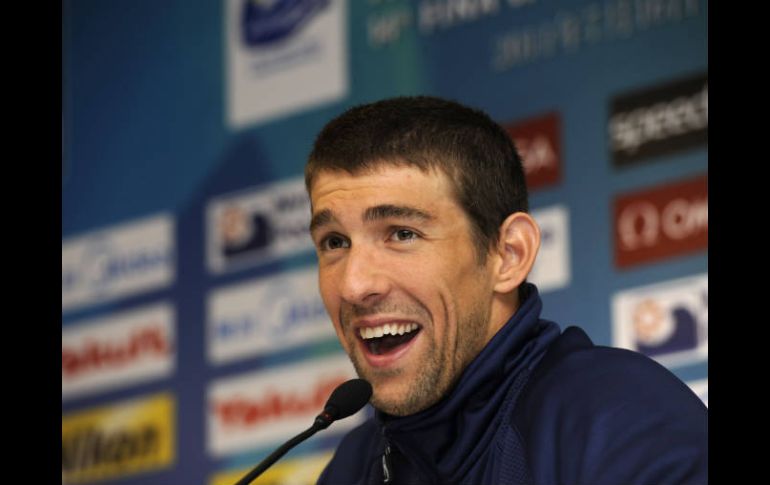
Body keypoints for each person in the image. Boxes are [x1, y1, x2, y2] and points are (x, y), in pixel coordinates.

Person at [304, 96, 708, 485]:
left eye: (402, 234)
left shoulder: (619, 419)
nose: (355, 286)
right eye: (335, 242)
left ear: (508, 255)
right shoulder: (353, 465)